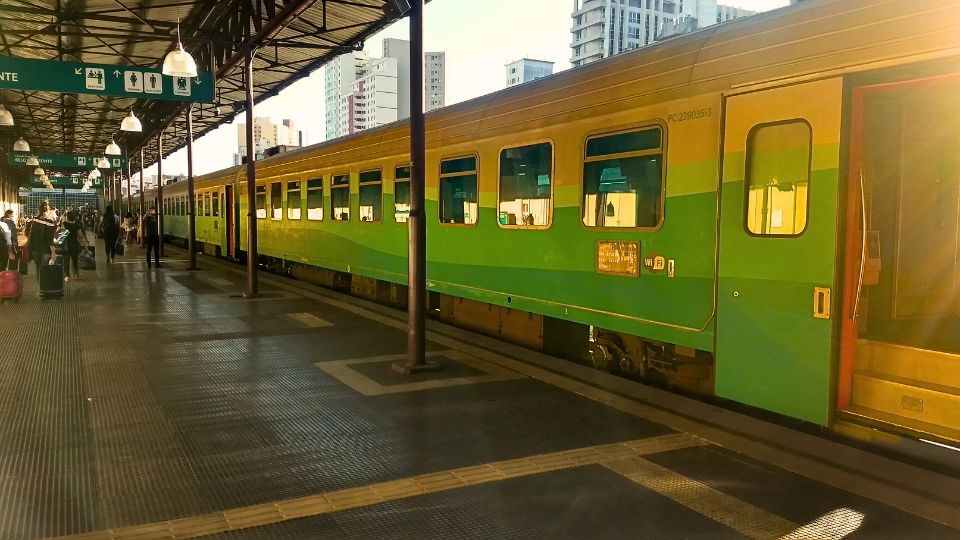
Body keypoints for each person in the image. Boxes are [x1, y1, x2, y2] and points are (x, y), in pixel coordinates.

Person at [27, 200, 57, 280]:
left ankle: (40, 288)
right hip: (45, 250)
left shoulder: (32, 221)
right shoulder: (49, 223)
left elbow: (26, 233)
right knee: (44, 269)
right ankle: (45, 288)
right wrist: (53, 253)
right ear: (47, 212)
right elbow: (50, 240)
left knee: (38, 268)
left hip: (34, 249)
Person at [60, 211, 88, 281]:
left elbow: (61, 235)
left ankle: (67, 276)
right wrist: (85, 247)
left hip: (66, 245)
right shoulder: (76, 225)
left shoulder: (64, 224)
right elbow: (81, 237)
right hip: (74, 245)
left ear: (67, 217)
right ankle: (76, 275)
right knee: (74, 260)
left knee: (66, 260)